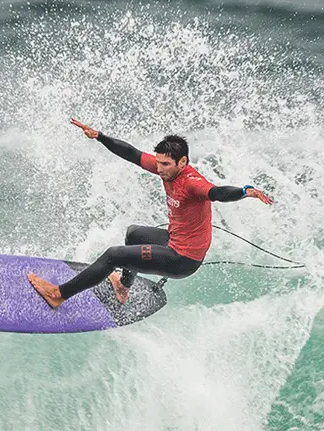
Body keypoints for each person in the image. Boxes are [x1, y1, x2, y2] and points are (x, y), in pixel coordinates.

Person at [27, 118, 273, 309]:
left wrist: (244, 191)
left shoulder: (191, 183)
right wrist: (99, 136)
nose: (160, 169)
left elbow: (217, 192)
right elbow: (132, 154)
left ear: (182, 161)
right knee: (134, 233)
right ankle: (123, 287)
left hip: (182, 260)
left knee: (113, 255)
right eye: (158, 163)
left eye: (165, 165)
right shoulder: (166, 168)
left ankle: (58, 295)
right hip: (174, 241)